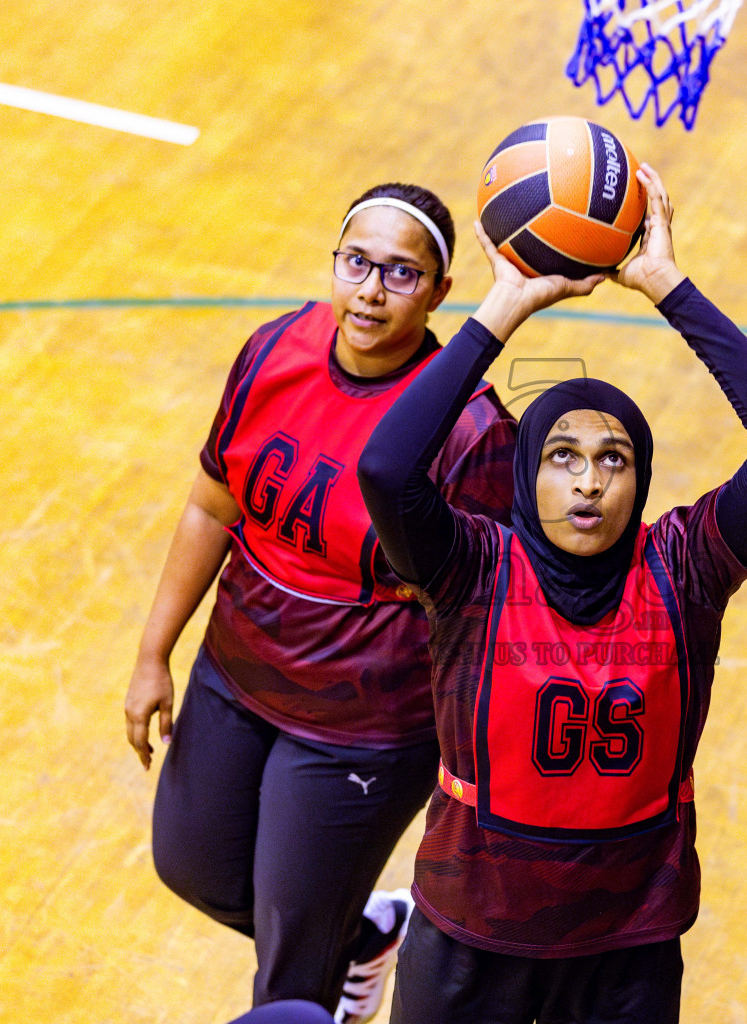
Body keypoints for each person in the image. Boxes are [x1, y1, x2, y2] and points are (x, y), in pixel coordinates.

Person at [357, 166, 747, 1023]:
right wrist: (504, 308)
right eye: (561, 457)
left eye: (614, 459)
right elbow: (387, 469)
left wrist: (666, 285)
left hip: (627, 947)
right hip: (471, 932)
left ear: (641, 483)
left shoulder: (684, 568)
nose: (589, 482)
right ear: (525, 478)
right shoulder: (472, 569)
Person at [123, 183, 516, 1022]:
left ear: (441, 294)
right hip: (237, 669)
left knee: (291, 966)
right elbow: (210, 503)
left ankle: (328, 961)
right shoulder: (277, 350)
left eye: (401, 275)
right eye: (357, 263)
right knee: (191, 865)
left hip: (363, 724)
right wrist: (154, 651)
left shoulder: (468, 431)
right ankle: (362, 935)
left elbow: (489, 613)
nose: (371, 289)